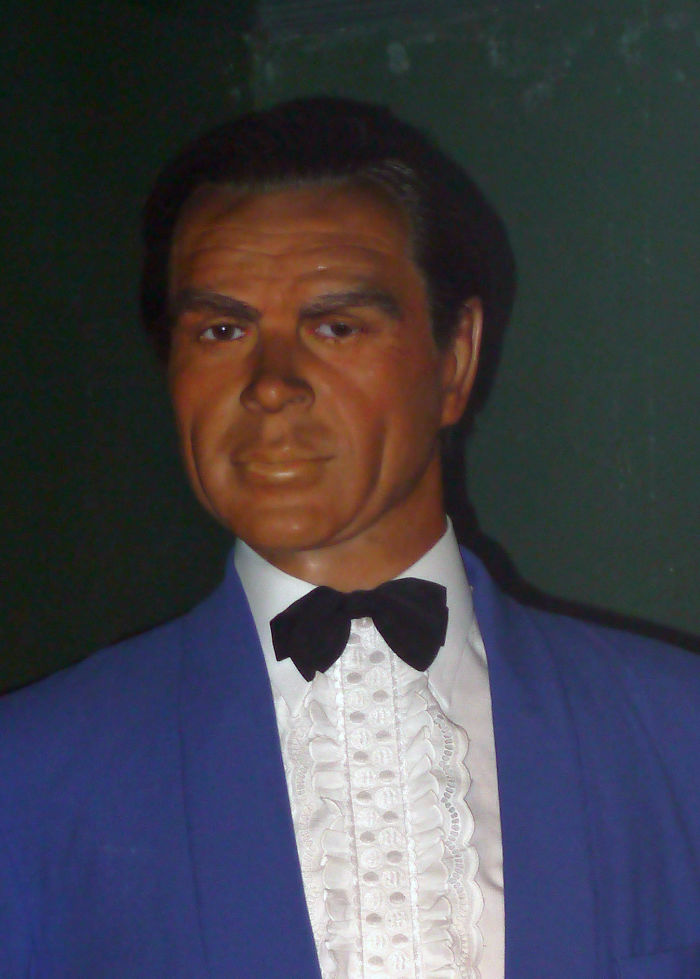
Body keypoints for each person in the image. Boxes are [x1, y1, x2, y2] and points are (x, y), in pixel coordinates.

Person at [0, 97, 698, 979]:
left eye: (336, 326)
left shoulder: (677, 736)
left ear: (454, 359)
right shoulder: (28, 778)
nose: (272, 384)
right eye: (222, 329)